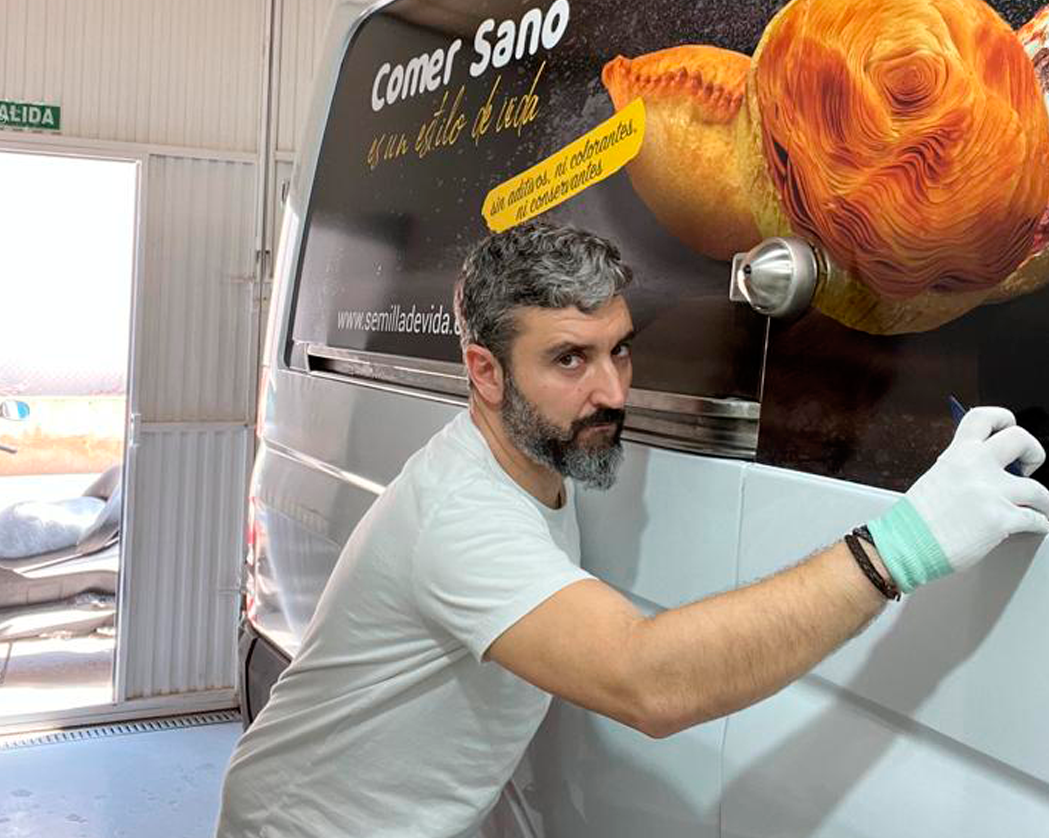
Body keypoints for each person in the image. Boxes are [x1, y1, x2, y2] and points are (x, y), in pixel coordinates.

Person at [214, 221, 1049, 838]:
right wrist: (905, 543)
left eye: (620, 350)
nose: (614, 393)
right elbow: (646, 681)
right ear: (485, 372)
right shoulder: (460, 514)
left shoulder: (533, 458)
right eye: (570, 359)